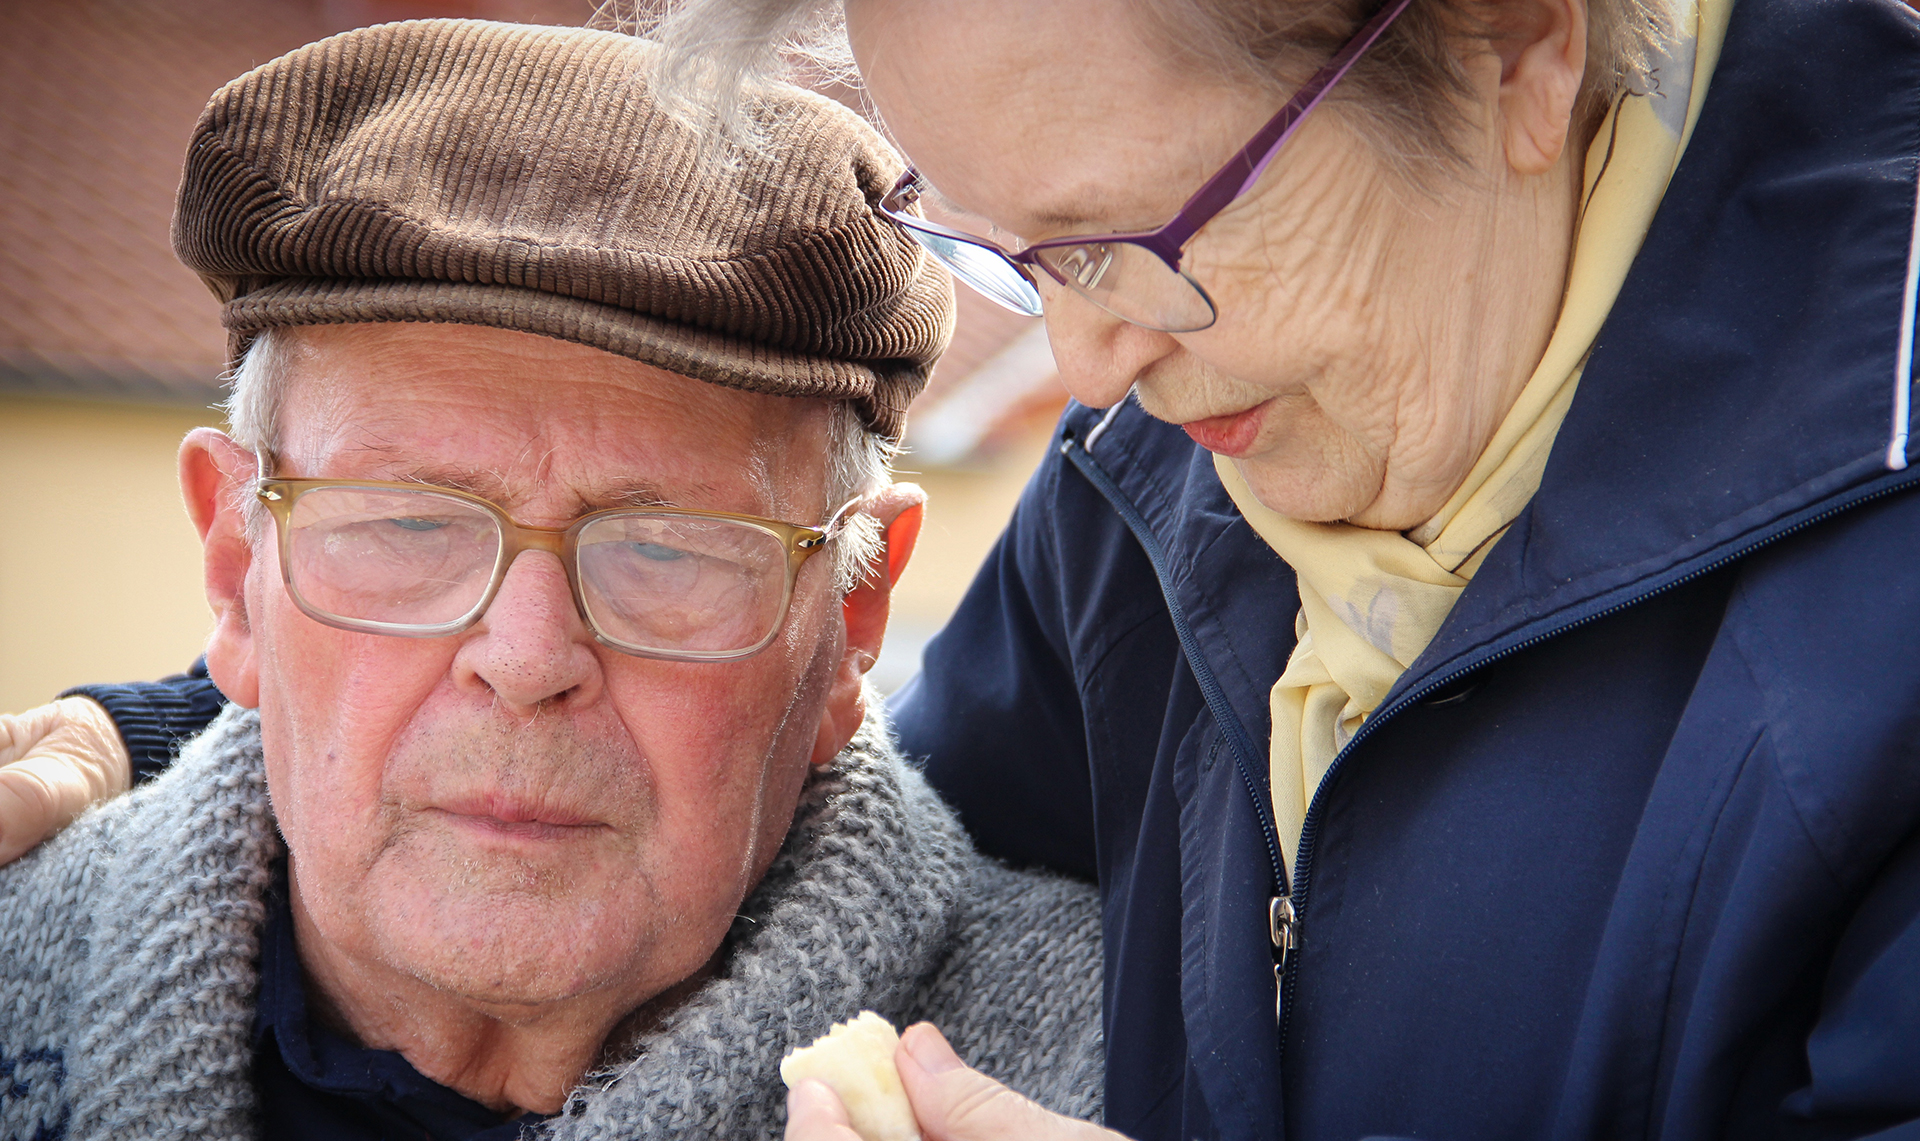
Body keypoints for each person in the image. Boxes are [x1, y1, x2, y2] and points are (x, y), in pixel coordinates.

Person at [8, 0, 1920, 1137]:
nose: (1081, 382)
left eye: (1131, 236)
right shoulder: (1163, 479)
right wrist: (160, 739)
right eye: (1017, 257)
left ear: (1519, 45)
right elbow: (773, 763)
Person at [0, 20, 1108, 1141]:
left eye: (666, 547)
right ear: (238, 574)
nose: (527, 661)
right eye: (409, 525)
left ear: (850, 617)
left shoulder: (1130, 1065)